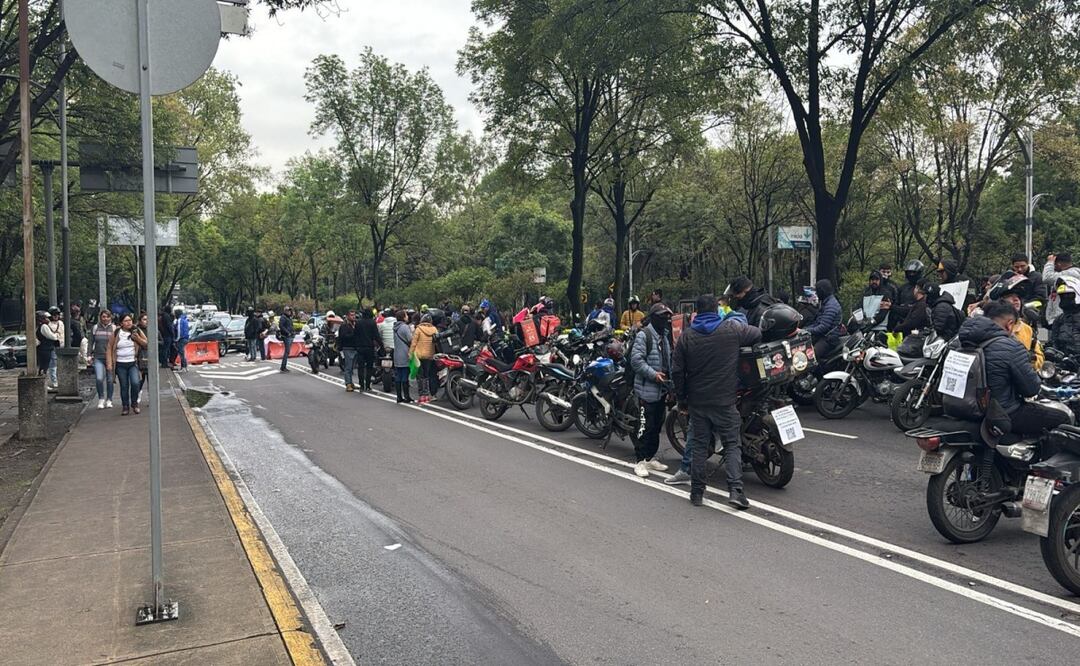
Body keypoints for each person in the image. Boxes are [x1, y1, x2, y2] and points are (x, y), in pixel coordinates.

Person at [672, 293, 762, 509]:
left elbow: (677, 371)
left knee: (700, 447)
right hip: (725, 401)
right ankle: (735, 491)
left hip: (699, 402)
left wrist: (682, 399)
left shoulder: (687, 336)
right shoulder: (731, 330)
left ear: (698, 312)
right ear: (716, 310)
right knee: (732, 444)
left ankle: (696, 493)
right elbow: (757, 333)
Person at [957, 300, 1069, 436]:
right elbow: (1031, 389)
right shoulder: (1011, 346)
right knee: (1063, 418)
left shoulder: (958, 342)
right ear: (1010, 324)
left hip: (961, 409)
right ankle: (1041, 457)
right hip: (1002, 413)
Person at [630, 303, 673, 478]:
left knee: (656, 425)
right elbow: (636, 361)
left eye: (667, 316)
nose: (666, 319)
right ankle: (639, 461)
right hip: (646, 390)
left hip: (661, 390)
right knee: (644, 426)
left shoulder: (664, 336)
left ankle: (650, 458)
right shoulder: (644, 335)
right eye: (663, 316)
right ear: (654, 317)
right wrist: (654, 374)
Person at [108, 313, 147, 416]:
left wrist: (137, 338)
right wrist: (109, 364)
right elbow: (109, 348)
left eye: (130, 320)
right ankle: (125, 406)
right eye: (126, 321)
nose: (128, 322)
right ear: (121, 323)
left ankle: (134, 403)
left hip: (133, 363)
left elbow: (146, 344)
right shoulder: (116, 332)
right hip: (120, 364)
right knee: (124, 386)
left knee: (135, 383)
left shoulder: (137, 331)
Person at [806, 279, 841, 360]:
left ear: (822, 291)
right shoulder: (826, 303)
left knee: (811, 356)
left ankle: (818, 372)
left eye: (817, 291)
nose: (817, 294)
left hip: (829, 339)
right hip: (822, 336)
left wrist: (807, 331)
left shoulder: (831, 305)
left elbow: (823, 327)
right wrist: (803, 330)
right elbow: (817, 322)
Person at [409, 313, 439, 404]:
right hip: (430, 355)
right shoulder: (434, 329)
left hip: (419, 355)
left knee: (419, 376)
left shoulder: (418, 329)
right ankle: (426, 396)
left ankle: (422, 396)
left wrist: (410, 353)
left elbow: (414, 343)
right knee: (426, 375)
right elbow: (437, 342)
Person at [88, 310, 115, 409]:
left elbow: (116, 344)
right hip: (98, 357)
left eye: (107, 317)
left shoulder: (114, 328)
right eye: (103, 317)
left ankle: (109, 399)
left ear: (110, 317)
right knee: (99, 378)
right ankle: (101, 398)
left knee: (110, 380)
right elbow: (90, 342)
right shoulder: (95, 328)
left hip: (110, 357)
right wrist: (89, 355)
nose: (105, 319)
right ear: (100, 317)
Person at [1044, 252, 1080, 326]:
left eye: (1054, 265)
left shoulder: (1072, 273)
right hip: (1059, 319)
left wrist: (1050, 262)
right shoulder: (1063, 274)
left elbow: (1047, 278)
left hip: (1066, 319)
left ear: (1058, 264)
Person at [1050, 275, 1080, 357]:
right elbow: (1054, 343)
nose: (1065, 298)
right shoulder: (1059, 320)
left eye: (1069, 295)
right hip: (1063, 363)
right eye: (1062, 296)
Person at [357, 309, 384, 391]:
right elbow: (376, 335)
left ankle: (361, 385)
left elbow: (355, 334)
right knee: (369, 367)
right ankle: (368, 385)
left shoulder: (358, 322)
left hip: (360, 347)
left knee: (360, 367)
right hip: (369, 347)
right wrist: (381, 345)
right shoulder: (372, 323)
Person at [392, 310, 414, 403]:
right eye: (406, 315)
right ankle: (406, 396)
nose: (407, 317)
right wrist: (412, 331)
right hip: (405, 353)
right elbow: (410, 339)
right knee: (405, 375)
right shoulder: (404, 327)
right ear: (403, 317)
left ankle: (399, 396)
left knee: (398, 376)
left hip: (397, 354)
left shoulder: (395, 327)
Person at [337, 310, 362, 392]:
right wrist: (354, 333)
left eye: (354, 315)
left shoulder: (355, 324)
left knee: (352, 367)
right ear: (347, 316)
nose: (353, 317)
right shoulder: (344, 326)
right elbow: (343, 337)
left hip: (356, 348)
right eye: (351, 315)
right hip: (348, 348)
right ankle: (348, 384)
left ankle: (351, 383)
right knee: (348, 367)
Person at [40, 306, 64, 389]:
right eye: (54, 314)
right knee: (51, 364)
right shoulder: (46, 325)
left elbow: (63, 334)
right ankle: (53, 381)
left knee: (57, 364)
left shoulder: (61, 323)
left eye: (57, 314)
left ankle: (55, 380)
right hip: (51, 346)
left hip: (61, 345)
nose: (56, 316)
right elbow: (52, 336)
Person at [278, 305, 295, 372]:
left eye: (290, 310)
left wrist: (292, 332)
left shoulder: (288, 317)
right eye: (288, 310)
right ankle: (283, 366)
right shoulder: (283, 317)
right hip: (286, 336)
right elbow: (281, 326)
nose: (289, 312)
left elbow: (290, 326)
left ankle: (283, 366)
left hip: (290, 336)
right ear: (285, 311)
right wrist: (287, 332)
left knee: (287, 351)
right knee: (287, 351)